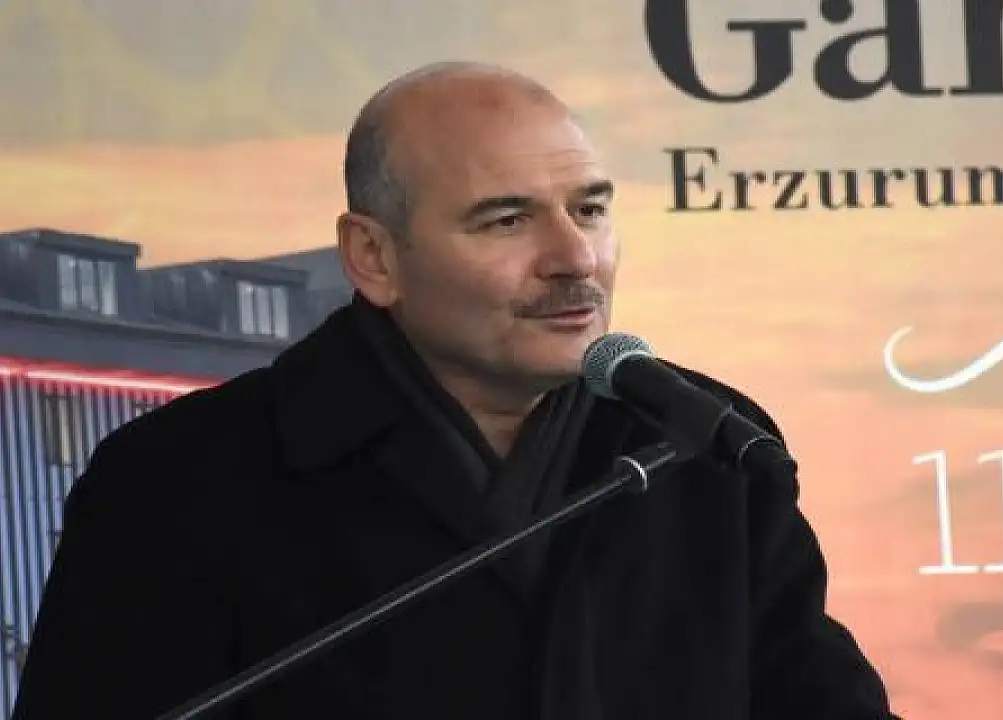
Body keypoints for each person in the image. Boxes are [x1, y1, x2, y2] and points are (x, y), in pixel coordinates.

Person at [12, 62, 898, 719]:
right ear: (373, 256)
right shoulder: (179, 479)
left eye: (590, 210)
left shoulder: (700, 438)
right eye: (506, 219)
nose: (575, 258)